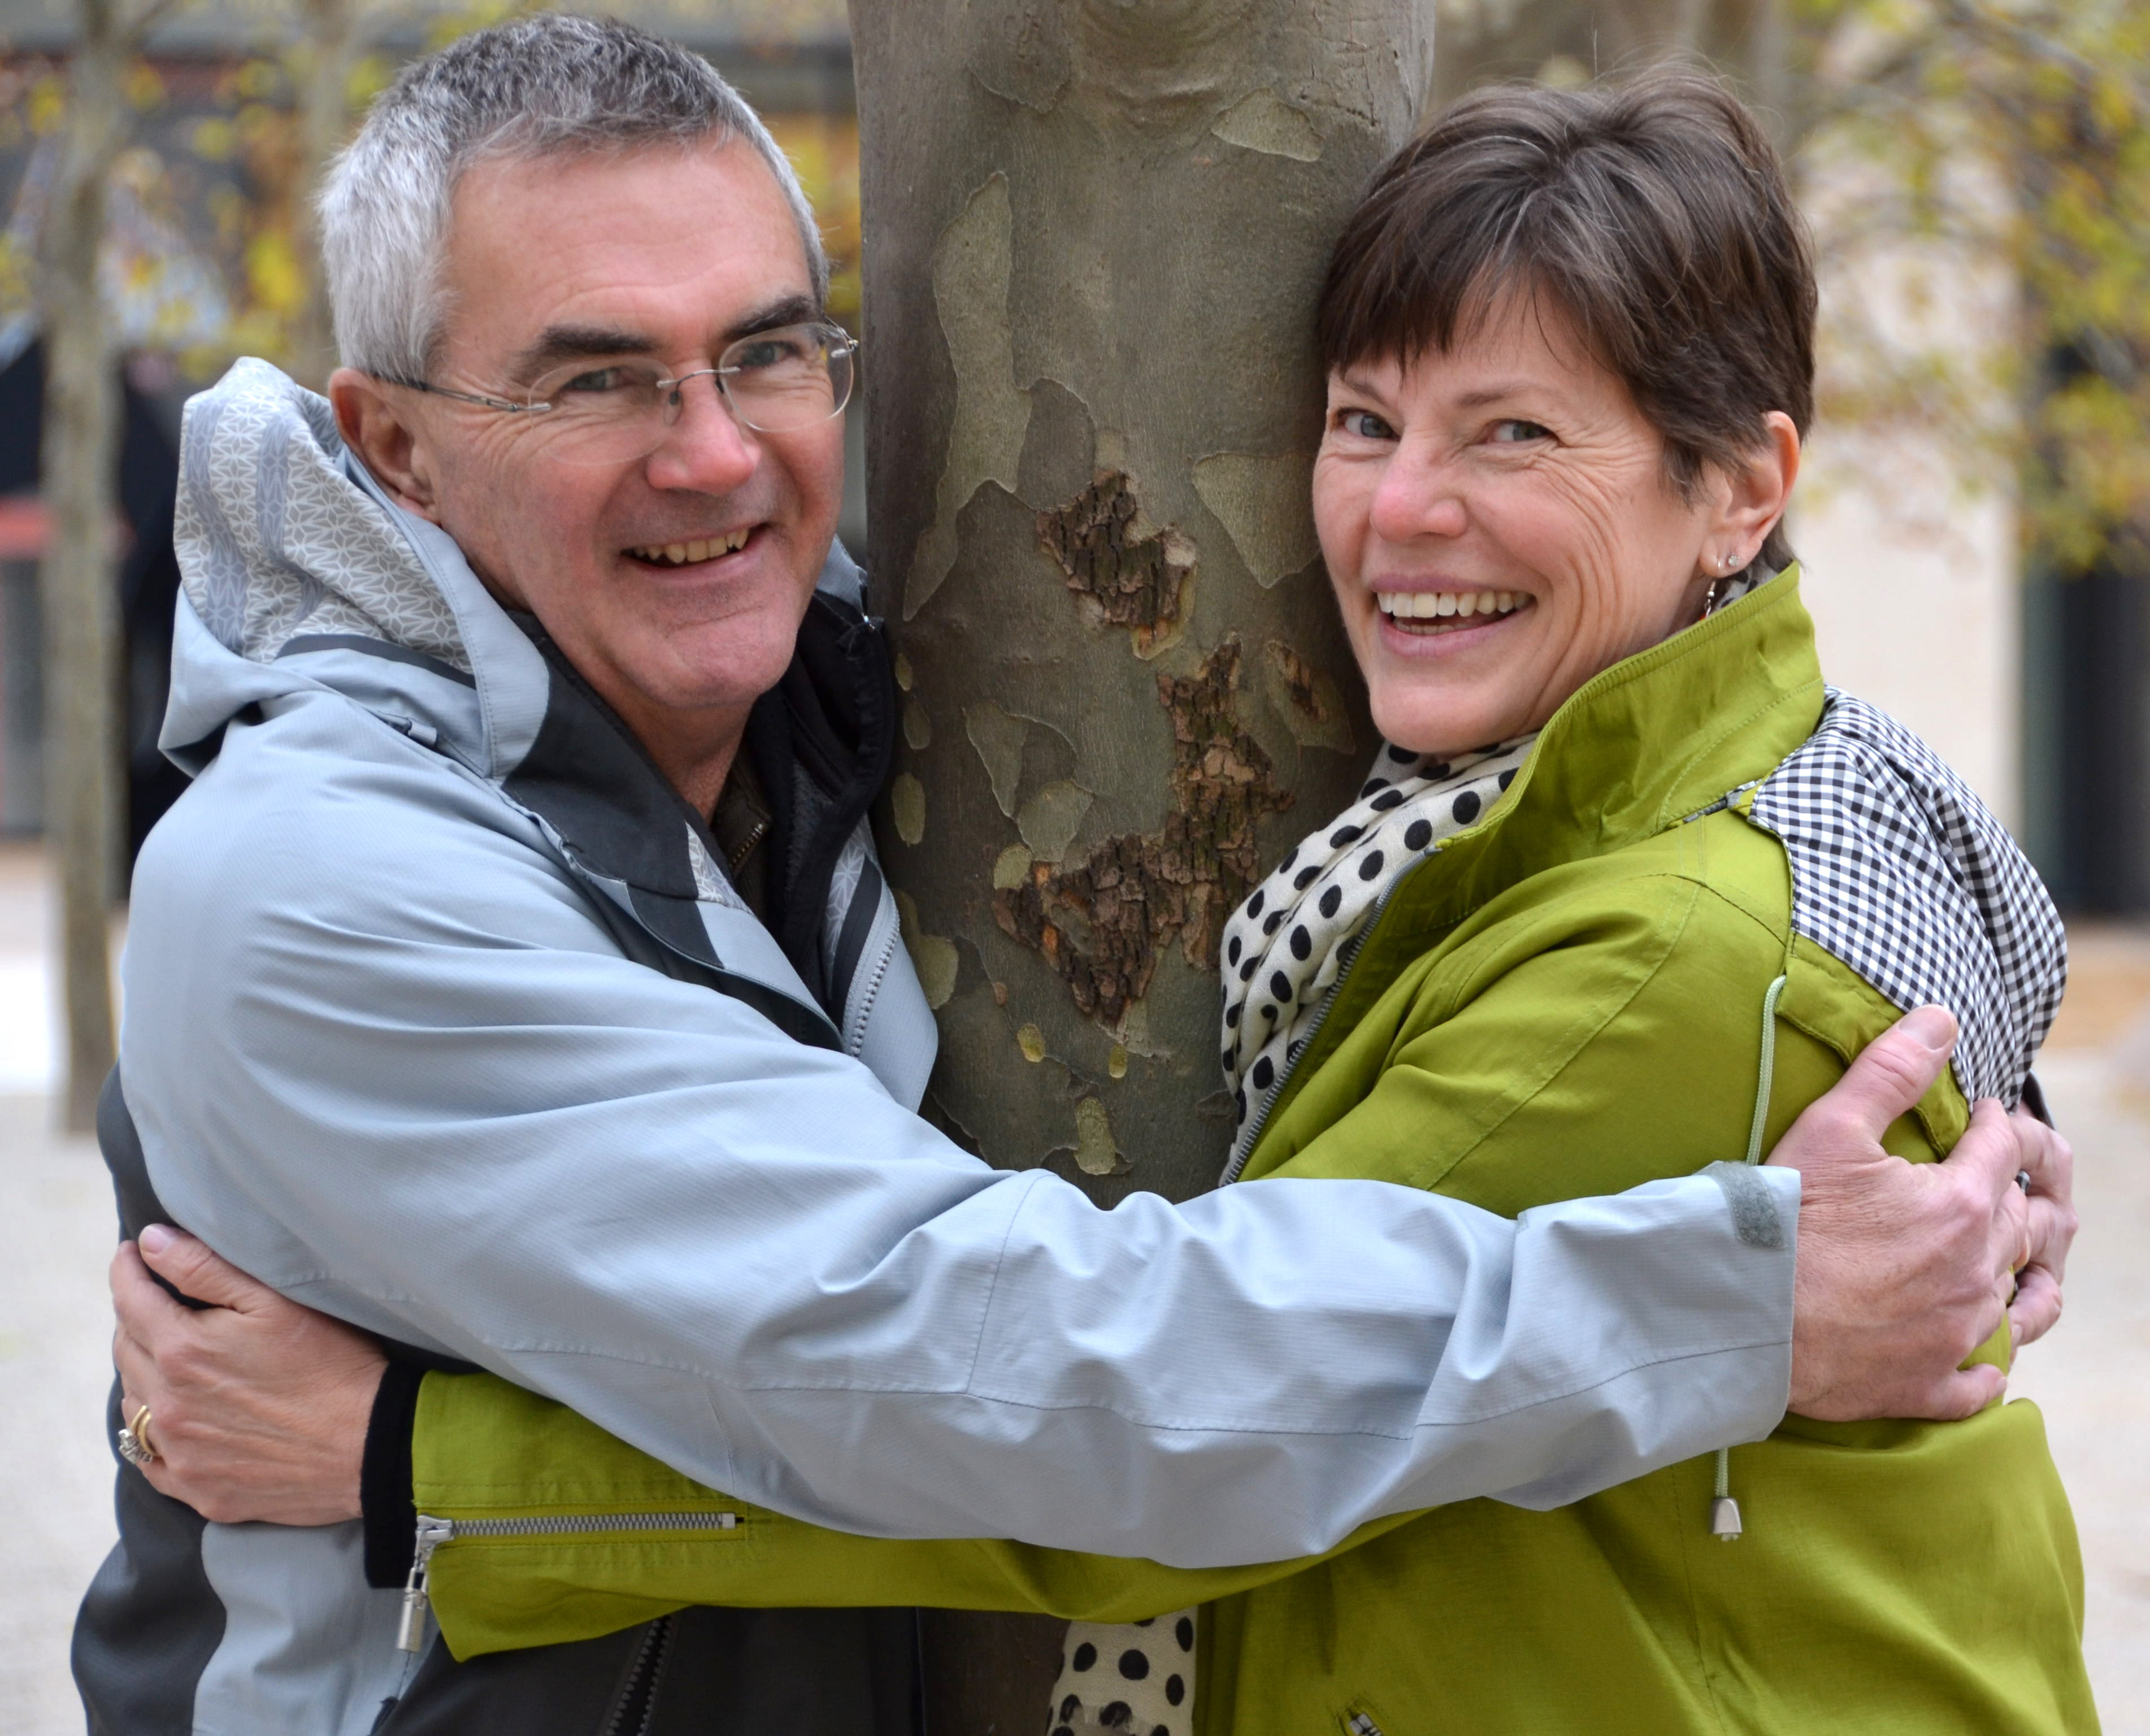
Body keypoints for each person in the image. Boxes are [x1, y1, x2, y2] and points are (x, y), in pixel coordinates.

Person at [93, 27, 2071, 1736]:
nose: (709, 458)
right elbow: (1054, 1396)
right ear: (399, 454)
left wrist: (408, 1459)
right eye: (596, 380)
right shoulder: (327, 889)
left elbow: (1100, 1446)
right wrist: (1745, 1295)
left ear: (1746, 486)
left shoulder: (861, 709)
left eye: (767, 353)